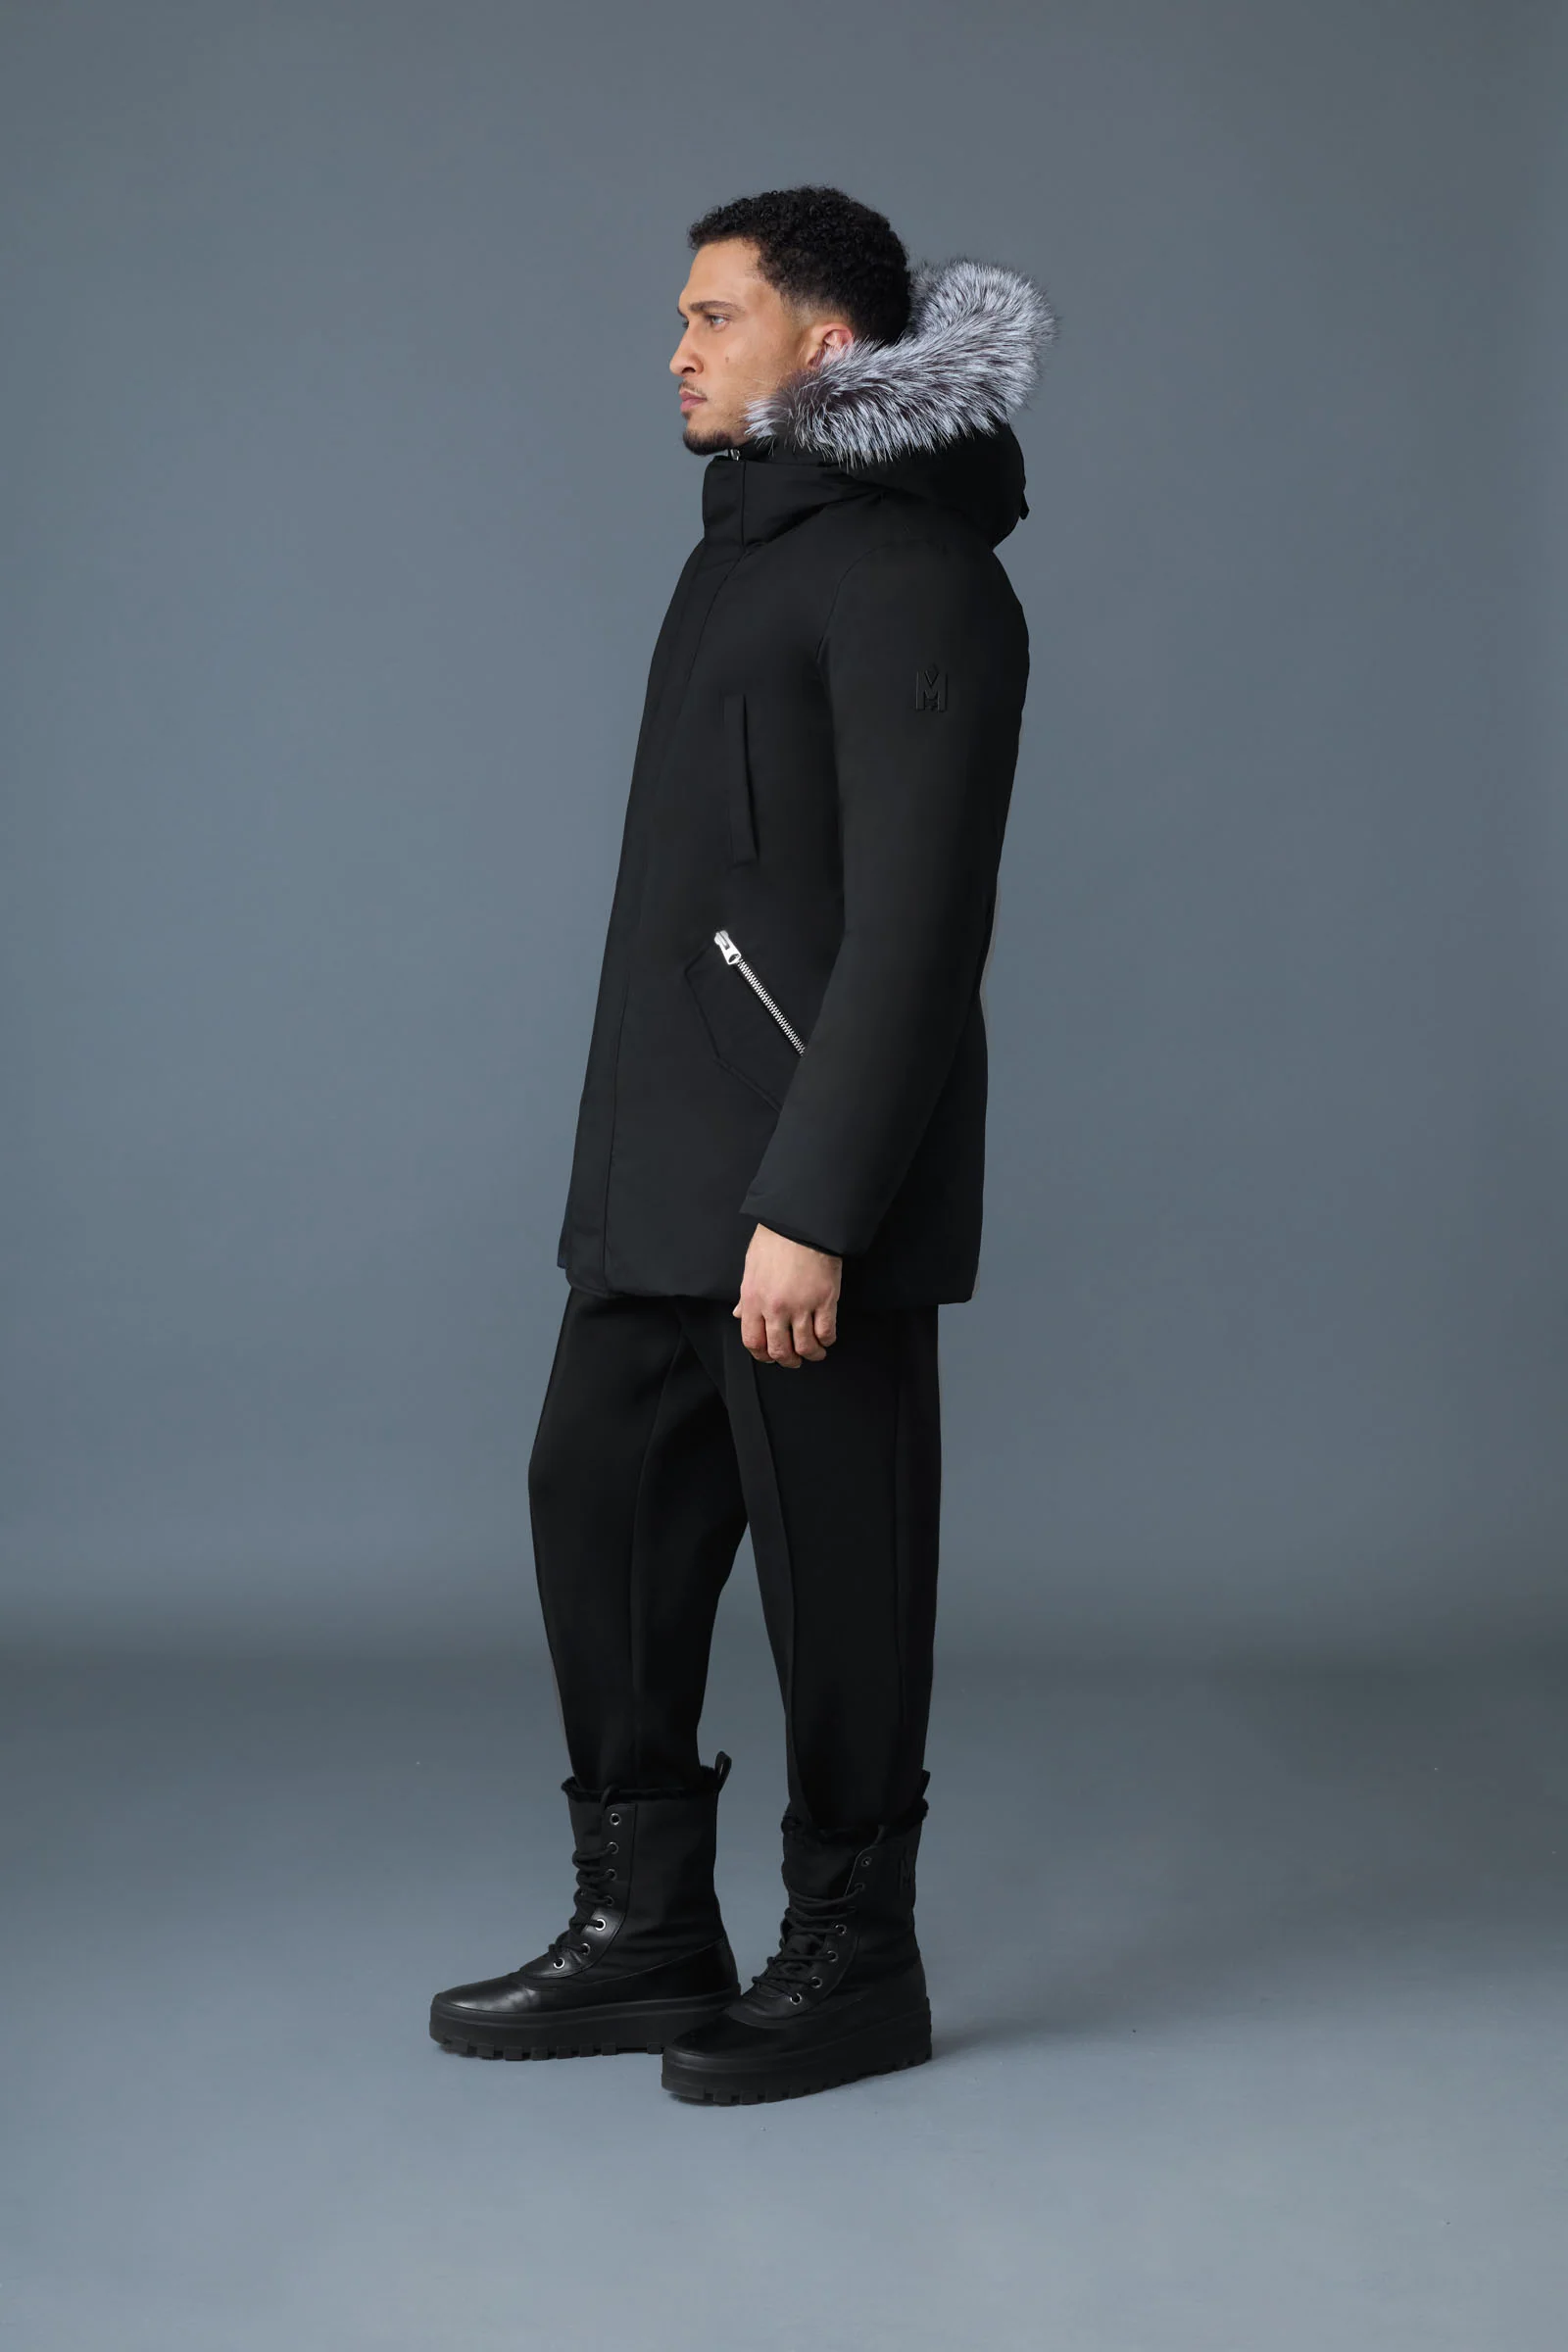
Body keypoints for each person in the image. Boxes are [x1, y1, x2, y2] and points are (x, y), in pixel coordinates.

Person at [429, 184, 1053, 2104]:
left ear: (827, 344)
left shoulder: (918, 576)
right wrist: (621, 1190)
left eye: (714, 316)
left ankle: (855, 1957)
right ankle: (645, 1931)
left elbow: (918, 928)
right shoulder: (736, 557)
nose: (678, 350)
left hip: (804, 1200)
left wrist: (815, 1204)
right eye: (683, 317)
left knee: (835, 1575)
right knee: (592, 1505)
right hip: (660, 1189)